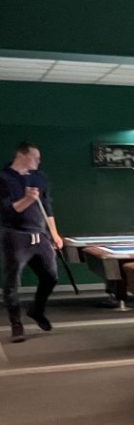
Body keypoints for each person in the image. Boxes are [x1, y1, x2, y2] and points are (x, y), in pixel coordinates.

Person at [1, 141, 62, 343]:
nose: (38, 160)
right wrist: (27, 199)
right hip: (15, 235)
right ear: (22, 155)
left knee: (51, 277)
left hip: (40, 234)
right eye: (35, 157)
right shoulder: (4, 178)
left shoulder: (39, 177)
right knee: (12, 282)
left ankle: (37, 310)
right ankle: (16, 324)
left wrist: (54, 234)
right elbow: (8, 211)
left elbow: (47, 206)